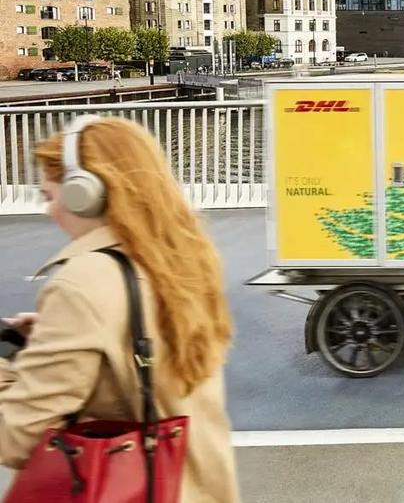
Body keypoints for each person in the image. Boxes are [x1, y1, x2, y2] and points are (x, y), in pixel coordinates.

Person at [0, 116, 239, 502]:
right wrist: (48, 338)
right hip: (197, 487)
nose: (48, 212)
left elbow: (19, 436)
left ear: (86, 193)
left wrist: (7, 368)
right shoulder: (181, 260)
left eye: (49, 196)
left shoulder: (82, 282)